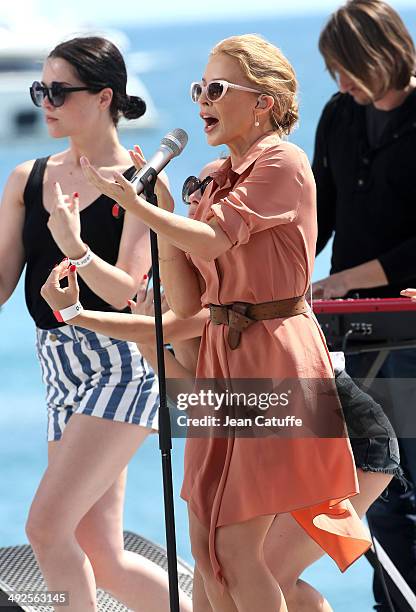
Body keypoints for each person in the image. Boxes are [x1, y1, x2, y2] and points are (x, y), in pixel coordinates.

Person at [63, 33, 376, 611]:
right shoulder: (211, 174)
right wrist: (157, 207)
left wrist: (137, 207)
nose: (203, 99)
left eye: (217, 88)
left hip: (275, 355)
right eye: (198, 88)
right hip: (220, 357)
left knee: (234, 546)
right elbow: (187, 297)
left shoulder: (283, 161)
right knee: (205, 546)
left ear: (264, 102)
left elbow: (215, 237)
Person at [0, 35, 192, 612]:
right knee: (102, 553)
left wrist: (75, 248)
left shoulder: (142, 184)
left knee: (45, 530)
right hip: (58, 366)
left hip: (122, 365)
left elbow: (129, 293)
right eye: (41, 90)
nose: (46, 102)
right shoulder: (27, 179)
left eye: (59, 91)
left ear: (105, 96)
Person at [311, 1, 416, 608]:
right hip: (353, 327)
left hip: (406, 324)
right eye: (335, 72)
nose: (343, 84)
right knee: (374, 477)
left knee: (407, 476)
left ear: (383, 53)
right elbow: (321, 213)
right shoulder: (339, 114)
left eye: (349, 68)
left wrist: (349, 278)